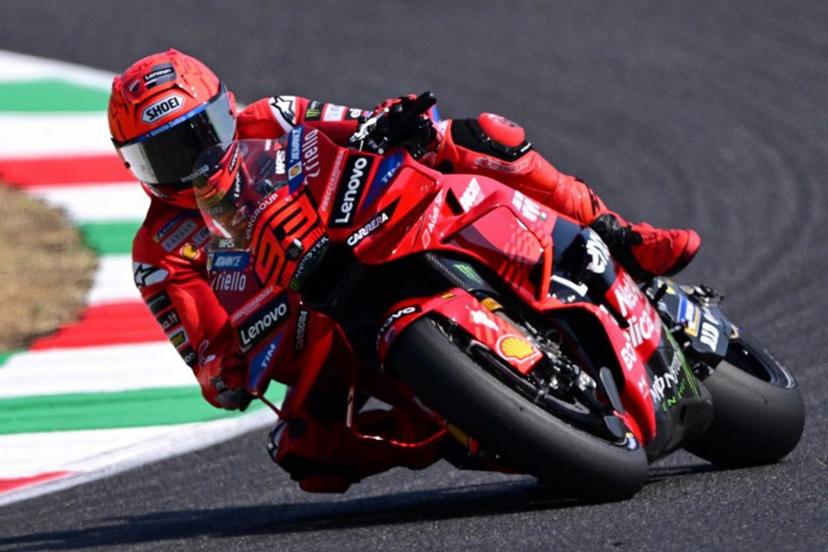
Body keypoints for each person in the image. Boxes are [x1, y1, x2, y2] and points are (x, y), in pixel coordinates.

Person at [109, 49, 700, 491]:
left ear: (226, 109)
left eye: (199, 135)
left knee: (481, 136)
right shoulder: (157, 256)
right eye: (165, 154)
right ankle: (464, 421)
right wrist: (230, 369)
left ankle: (620, 234)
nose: (193, 164)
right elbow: (210, 363)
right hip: (310, 322)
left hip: (364, 228)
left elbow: (358, 125)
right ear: (136, 164)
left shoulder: (277, 115)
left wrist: (396, 125)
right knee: (309, 456)